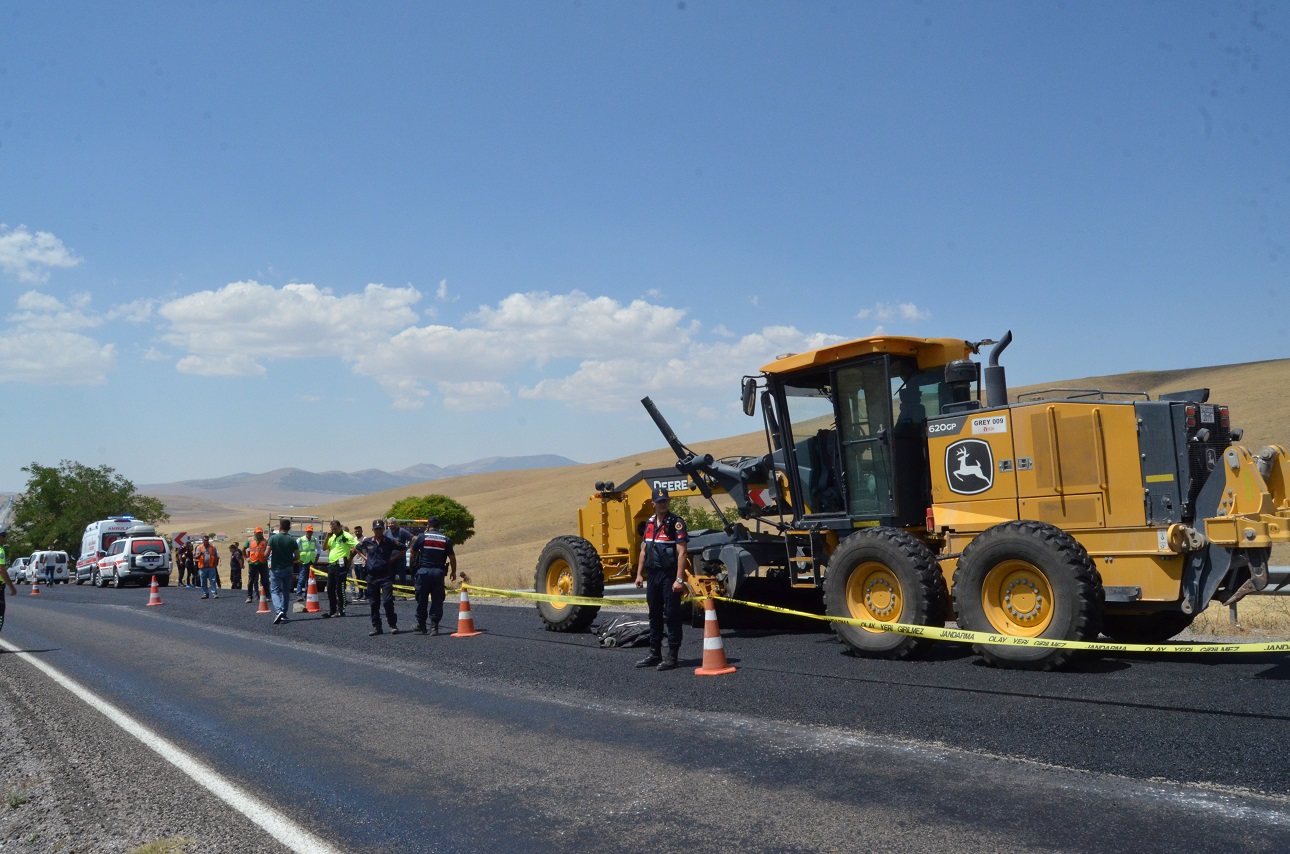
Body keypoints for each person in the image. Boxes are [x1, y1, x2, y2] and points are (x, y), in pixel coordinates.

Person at [633, 486, 689, 671]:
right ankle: (654, 653)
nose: (662, 503)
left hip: (669, 575)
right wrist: (639, 574)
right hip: (653, 575)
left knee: (671, 614)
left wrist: (679, 580)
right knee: (654, 614)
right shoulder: (649, 523)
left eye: (665, 500)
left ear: (668, 502)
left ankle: (672, 656)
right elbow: (644, 550)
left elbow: (682, 553)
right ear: (653, 504)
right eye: (659, 501)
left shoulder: (676, 523)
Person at [410, 516, 457, 635]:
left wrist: (412, 568)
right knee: (437, 599)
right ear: (439, 527)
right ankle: (434, 627)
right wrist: (453, 571)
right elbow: (452, 557)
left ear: (428, 526)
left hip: (423, 572)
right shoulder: (445, 539)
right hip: (438, 573)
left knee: (421, 599)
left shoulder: (422, 537)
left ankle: (421, 624)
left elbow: (412, 552)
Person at [355, 519, 403, 635]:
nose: (378, 531)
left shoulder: (390, 541)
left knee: (387, 601)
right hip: (372, 577)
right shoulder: (367, 541)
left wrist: (394, 558)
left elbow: (403, 548)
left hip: (386, 576)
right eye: (376, 529)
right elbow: (357, 548)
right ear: (373, 530)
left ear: (383, 529)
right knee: (373, 603)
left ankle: (392, 625)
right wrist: (365, 558)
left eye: (380, 529)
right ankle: (377, 627)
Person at [267, 518, 299, 624]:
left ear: (280, 527)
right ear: (289, 528)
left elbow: (266, 554)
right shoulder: (292, 540)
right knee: (286, 591)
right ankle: (284, 612)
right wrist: (290, 559)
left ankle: (278, 610)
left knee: (275, 591)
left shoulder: (273, 538)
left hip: (276, 568)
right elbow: (297, 556)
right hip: (288, 568)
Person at [324, 520, 358, 618]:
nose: (333, 530)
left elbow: (357, 545)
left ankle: (341, 609)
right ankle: (332, 610)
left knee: (340, 588)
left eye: (335, 528)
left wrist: (350, 558)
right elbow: (324, 547)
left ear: (340, 526)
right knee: (330, 588)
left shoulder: (346, 536)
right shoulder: (332, 536)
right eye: (332, 529)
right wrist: (327, 537)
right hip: (331, 565)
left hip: (341, 564)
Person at [245, 527, 270, 605]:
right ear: (254, 533)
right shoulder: (250, 540)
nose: (259, 534)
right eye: (257, 532)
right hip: (253, 563)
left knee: (265, 580)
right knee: (251, 580)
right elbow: (243, 549)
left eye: (260, 532)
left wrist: (268, 557)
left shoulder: (266, 540)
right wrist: (246, 558)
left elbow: (269, 549)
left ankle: (268, 596)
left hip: (263, 563)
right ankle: (249, 596)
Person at [385, 518, 414, 586]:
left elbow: (413, 538)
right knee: (390, 577)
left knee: (402, 577)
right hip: (390, 559)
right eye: (389, 523)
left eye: (392, 523)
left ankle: (402, 594)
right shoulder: (387, 532)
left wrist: (407, 548)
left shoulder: (402, 531)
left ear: (396, 523)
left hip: (400, 558)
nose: (390, 525)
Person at [194, 534, 221, 599]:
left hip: (211, 567)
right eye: (204, 540)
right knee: (203, 581)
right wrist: (200, 554)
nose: (205, 541)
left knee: (213, 580)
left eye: (206, 540)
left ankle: (214, 593)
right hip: (202, 567)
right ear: (202, 540)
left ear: (208, 540)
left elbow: (216, 556)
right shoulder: (199, 547)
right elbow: (195, 557)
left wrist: (216, 564)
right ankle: (205, 593)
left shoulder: (213, 547)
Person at [0, 530, 17, 632]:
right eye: (3, 535)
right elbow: (2, 570)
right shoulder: (0, 551)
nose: (4, 538)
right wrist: (12, 587)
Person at [295, 525, 318, 597]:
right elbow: (294, 549)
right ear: (305, 532)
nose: (309, 533)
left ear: (312, 532)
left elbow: (319, 549)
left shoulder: (314, 539)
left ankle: (307, 593)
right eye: (308, 531)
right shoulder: (300, 540)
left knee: (310, 578)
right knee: (302, 578)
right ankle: (299, 593)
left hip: (311, 561)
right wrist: (297, 559)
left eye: (310, 531)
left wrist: (316, 558)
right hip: (303, 562)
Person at [351, 524, 367, 601]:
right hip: (355, 562)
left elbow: (366, 550)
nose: (357, 532)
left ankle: (366, 594)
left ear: (361, 531)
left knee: (363, 578)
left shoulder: (364, 539)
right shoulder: (354, 539)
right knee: (358, 579)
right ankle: (360, 593)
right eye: (356, 531)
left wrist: (365, 560)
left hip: (362, 562)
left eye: (358, 531)